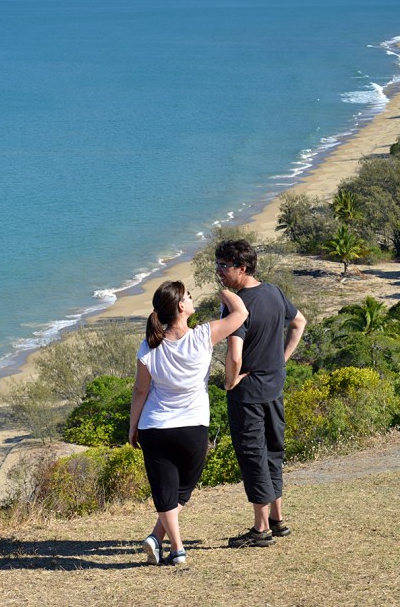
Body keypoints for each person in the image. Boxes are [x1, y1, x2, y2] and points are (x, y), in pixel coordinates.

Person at [129, 279, 249, 566]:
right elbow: (241, 314)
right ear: (181, 307)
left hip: (154, 427)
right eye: (189, 296)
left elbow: (140, 391)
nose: (193, 298)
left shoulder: (149, 345)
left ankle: (158, 538)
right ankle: (178, 548)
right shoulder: (202, 335)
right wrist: (225, 288)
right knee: (182, 490)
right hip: (193, 426)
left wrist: (133, 427)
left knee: (165, 490)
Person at [216, 238, 307, 548]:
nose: (219, 271)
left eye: (224, 266)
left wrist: (229, 381)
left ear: (242, 268)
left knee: (254, 455)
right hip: (274, 387)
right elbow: (299, 322)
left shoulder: (236, 304)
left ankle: (260, 529)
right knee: (273, 452)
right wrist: (280, 360)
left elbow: (235, 354)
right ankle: (277, 520)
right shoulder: (273, 292)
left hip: (248, 393)